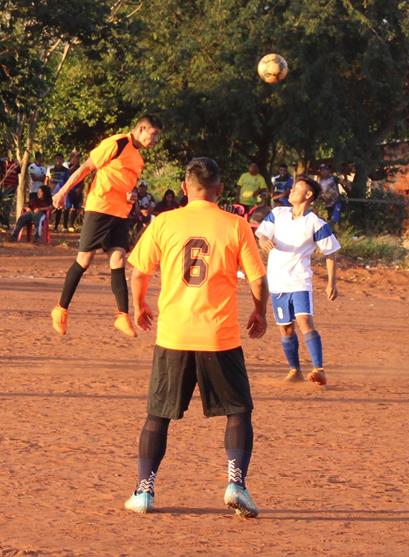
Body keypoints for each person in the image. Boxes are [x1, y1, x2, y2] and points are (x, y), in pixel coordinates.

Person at [124, 157, 267, 517]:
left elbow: (139, 273)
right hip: (219, 335)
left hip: (174, 334)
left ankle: (144, 490)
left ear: (185, 188)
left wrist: (139, 307)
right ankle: (236, 483)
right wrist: (259, 311)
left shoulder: (165, 222)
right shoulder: (236, 225)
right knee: (238, 411)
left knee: (158, 415)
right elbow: (259, 280)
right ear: (219, 190)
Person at [49, 114, 162, 338]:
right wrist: (63, 192)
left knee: (118, 259)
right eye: (154, 134)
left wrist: (131, 197)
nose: (156, 140)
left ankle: (122, 316)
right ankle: (60, 310)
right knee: (85, 259)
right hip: (100, 208)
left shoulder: (139, 159)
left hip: (120, 212)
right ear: (141, 128)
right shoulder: (116, 143)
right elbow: (85, 168)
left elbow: (126, 186)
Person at [255, 175, 340, 386]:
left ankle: (319, 369)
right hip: (277, 281)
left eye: (297, 187)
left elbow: (331, 252)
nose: (291, 190)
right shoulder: (278, 213)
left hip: (300, 281)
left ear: (309, 194)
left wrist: (332, 282)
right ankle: (295, 370)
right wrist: (264, 239)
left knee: (304, 322)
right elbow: (261, 234)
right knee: (285, 328)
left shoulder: (315, 223)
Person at [46, 154, 71, 231]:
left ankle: (56, 226)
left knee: (59, 209)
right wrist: (46, 190)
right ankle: (46, 225)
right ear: (55, 160)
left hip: (60, 192)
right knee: (49, 208)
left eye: (60, 159)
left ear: (63, 160)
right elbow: (47, 180)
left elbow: (68, 181)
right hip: (51, 191)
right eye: (57, 159)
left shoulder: (66, 170)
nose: (58, 161)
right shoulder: (50, 169)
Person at [64, 151, 85, 231]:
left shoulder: (81, 167)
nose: (77, 159)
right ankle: (64, 225)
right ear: (72, 158)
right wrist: (74, 166)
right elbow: (66, 176)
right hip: (69, 190)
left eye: (78, 157)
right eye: (75, 157)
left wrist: (81, 188)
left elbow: (83, 178)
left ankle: (71, 225)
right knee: (67, 207)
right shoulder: (67, 166)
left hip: (78, 190)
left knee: (76, 208)